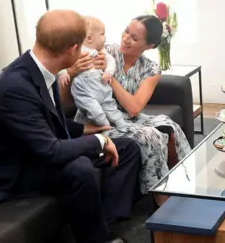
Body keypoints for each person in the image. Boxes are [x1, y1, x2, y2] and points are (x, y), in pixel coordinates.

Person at [0, 10, 141, 243]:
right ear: (72, 49)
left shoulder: (41, 70)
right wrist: (99, 141)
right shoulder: (16, 87)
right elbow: (52, 150)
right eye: (81, 47)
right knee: (79, 167)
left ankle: (106, 224)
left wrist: (88, 130)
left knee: (128, 148)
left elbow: (47, 123)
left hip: (40, 150)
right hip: (20, 171)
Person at [60, 15, 191, 194]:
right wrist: (71, 72)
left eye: (134, 38)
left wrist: (109, 76)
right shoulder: (102, 51)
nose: (125, 39)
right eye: (126, 31)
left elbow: (134, 108)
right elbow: (66, 98)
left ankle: (184, 180)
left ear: (149, 46)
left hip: (127, 116)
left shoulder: (151, 69)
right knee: (151, 136)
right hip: (97, 118)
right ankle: (159, 195)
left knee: (170, 125)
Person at [59, 16, 128, 129]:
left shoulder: (100, 51)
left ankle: (121, 123)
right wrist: (64, 72)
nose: (105, 38)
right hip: (84, 90)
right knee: (95, 110)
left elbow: (110, 60)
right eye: (102, 34)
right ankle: (105, 126)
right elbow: (63, 62)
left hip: (100, 85)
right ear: (90, 38)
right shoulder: (75, 50)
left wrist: (108, 72)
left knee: (110, 105)